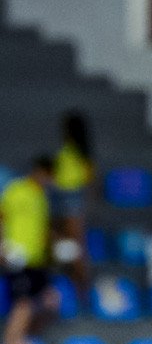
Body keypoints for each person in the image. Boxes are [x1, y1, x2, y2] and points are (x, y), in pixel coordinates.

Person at [1, 156, 58, 344]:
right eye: (47, 176)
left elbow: (42, 229)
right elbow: (2, 217)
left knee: (52, 301)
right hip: (17, 257)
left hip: (38, 261)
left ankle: (25, 340)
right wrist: (2, 247)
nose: (48, 181)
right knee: (23, 305)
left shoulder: (41, 197)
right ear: (38, 171)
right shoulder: (16, 190)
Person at [52, 111, 94, 294]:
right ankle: (72, 282)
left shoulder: (80, 152)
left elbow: (87, 177)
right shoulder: (69, 149)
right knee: (65, 242)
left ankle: (81, 285)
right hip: (61, 196)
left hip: (71, 196)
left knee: (76, 243)